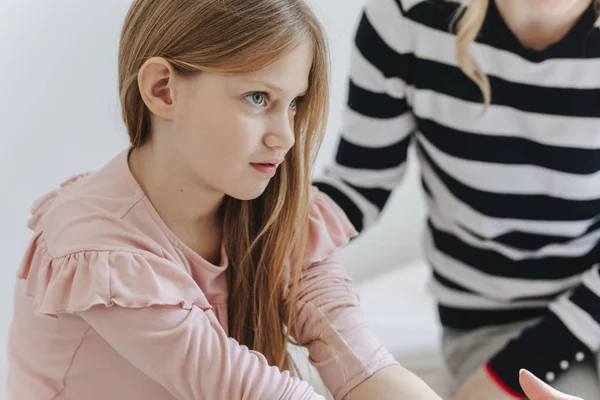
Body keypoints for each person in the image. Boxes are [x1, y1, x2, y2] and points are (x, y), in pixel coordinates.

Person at [5, 0, 445, 399]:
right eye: (258, 98)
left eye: (294, 104)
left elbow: (363, 365)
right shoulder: (98, 247)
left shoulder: (279, 213)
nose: (286, 137)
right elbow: (249, 390)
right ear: (163, 89)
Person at [314, 0, 600, 398]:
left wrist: (516, 368)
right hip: (491, 323)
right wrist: (260, 235)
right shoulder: (405, 19)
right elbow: (359, 184)